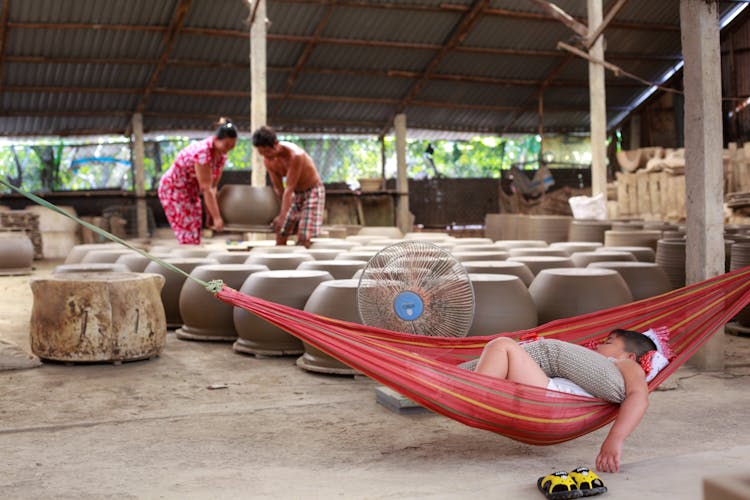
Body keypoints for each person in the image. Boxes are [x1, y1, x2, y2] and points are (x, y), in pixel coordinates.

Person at [472, 329, 671, 474]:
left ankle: (472, 396)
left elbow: (638, 396)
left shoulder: (625, 364)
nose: (599, 345)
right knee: (500, 358)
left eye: (609, 342)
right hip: (546, 393)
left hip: (549, 398)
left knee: (502, 345)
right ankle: (465, 388)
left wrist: (615, 438)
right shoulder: (591, 368)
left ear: (629, 355)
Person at [157, 118, 237, 244]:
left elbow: (213, 186)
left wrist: (211, 213)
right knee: (187, 231)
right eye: (226, 145)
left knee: (195, 229)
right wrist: (217, 218)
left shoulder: (221, 156)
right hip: (174, 190)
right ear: (216, 139)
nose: (228, 149)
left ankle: (190, 254)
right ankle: (185, 259)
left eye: (232, 146)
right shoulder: (202, 153)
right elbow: (207, 188)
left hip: (191, 192)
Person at [251, 126, 324, 248]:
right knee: (282, 231)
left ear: (276, 144)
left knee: (304, 235)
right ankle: (281, 261)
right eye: (262, 153)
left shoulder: (295, 156)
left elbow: (288, 189)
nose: (266, 156)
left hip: (312, 191)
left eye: (268, 152)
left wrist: (283, 216)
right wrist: (281, 216)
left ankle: (302, 260)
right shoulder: (268, 160)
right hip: (295, 194)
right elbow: (279, 189)